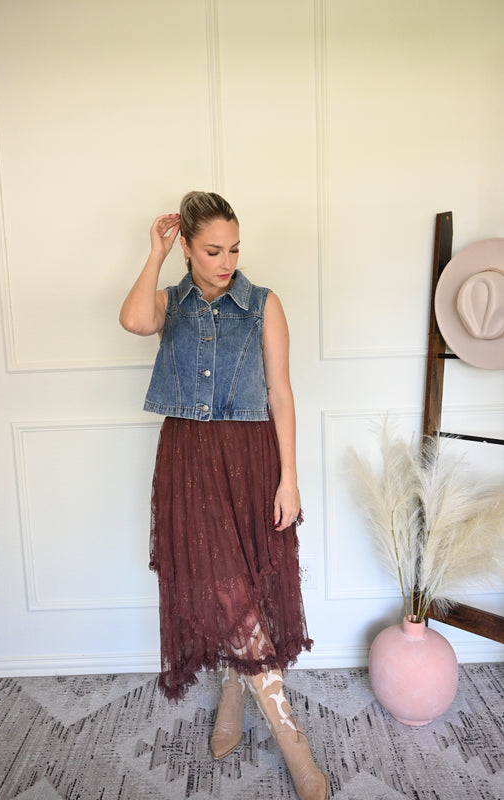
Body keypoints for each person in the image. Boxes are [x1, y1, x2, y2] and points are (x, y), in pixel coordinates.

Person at [120, 191, 329, 800]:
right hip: (189, 460)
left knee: (250, 580)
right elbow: (133, 319)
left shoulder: (263, 305)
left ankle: (237, 689)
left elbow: (283, 395)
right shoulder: (172, 304)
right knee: (222, 582)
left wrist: (289, 477)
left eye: (234, 248)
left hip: (251, 457)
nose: (226, 260)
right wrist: (154, 254)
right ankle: (293, 741)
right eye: (212, 249)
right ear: (187, 247)